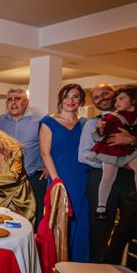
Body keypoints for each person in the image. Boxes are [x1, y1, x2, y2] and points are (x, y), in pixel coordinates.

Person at [78, 84, 137, 261]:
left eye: (105, 93)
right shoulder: (92, 124)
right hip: (100, 179)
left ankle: (125, 272)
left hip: (130, 180)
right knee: (99, 229)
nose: (101, 98)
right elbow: (84, 156)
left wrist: (134, 141)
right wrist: (116, 162)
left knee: (131, 226)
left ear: (116, 94)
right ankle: (97, 272)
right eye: (96, 97)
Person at [39, 84, 90, 262]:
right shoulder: (48, 122)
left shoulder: (85, 124)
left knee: (81, 222)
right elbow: (45, 153)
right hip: (59, 177)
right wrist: (56, 180)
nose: (70, 101)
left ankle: (79, 266)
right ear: (61, 99)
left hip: (83, 178)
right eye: (67, 97)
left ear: (81, 101)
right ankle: (58, 265)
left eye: (75, 97)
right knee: (59, 221)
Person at [89, 86, 137, 220]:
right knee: (108, 176)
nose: (117, 101)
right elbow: (100, 135)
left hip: (130, 150)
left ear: (134, 101)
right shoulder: (112, 117)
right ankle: (101, 205)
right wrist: (100, 129)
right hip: (112, 149)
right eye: (116, 99)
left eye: (121, 98)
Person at [0, 88, 47, 229]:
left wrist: (48, 166)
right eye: (10, 99)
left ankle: (33, 248)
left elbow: (51, 145)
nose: (13, 103)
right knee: (7, 216)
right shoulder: (0, 121)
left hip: (34, 177)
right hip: (8, 179)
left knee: (35, 217)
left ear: (26, 102)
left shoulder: (40, 121)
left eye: (17, 99)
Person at [0, 128, 36, 223]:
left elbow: (14, 176)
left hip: (22, 197)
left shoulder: (14, 152)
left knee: (25, 228)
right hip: (0, 200)